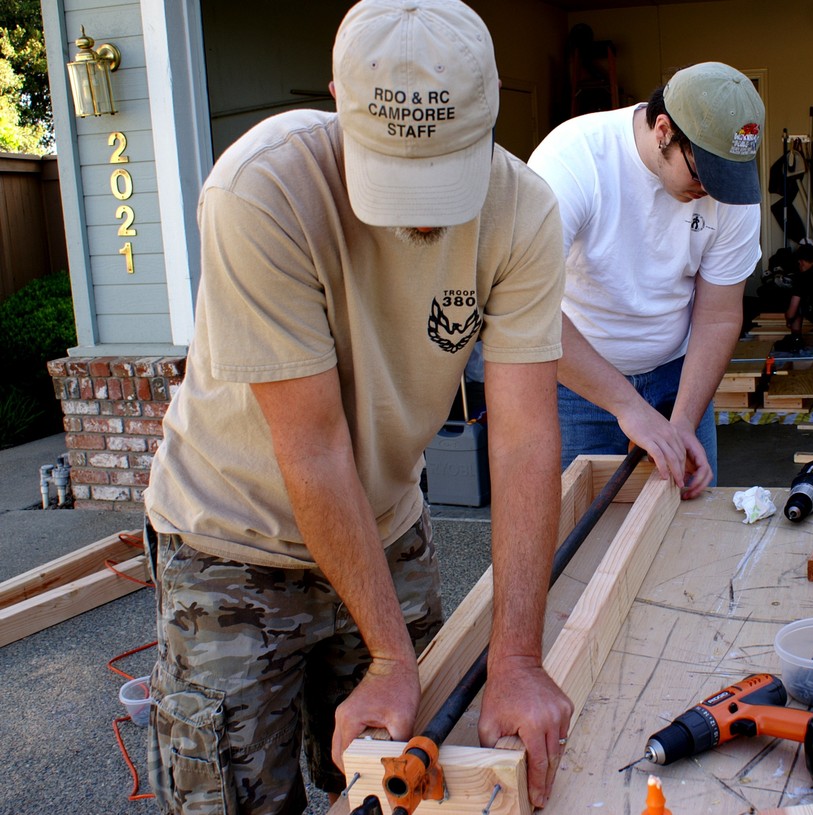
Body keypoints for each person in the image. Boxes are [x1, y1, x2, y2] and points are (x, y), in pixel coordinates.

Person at [142, 1, 573, 811]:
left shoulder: (524, 211)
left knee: (419, 784)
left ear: (491, 110)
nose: (422, 212)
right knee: (234, 797)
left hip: (384, 520)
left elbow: (522, 440)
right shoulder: (260, 189)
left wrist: (517, 658)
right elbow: (313, 447)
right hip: (231, 539)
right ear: (338, 98)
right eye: (398, 177)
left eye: (445, 174)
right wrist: (390, 658)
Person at [528, 63, 764, 499]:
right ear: (664, 130)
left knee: (685, 520)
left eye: (725, 179)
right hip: (577, 381)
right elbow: (528, 312)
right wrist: (627, 406)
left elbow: (717, 315)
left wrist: (683, 422)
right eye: (702, 175)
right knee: (580, 528)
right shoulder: (572, 160)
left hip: (679, 375)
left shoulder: (730, 195)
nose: (713, 192)